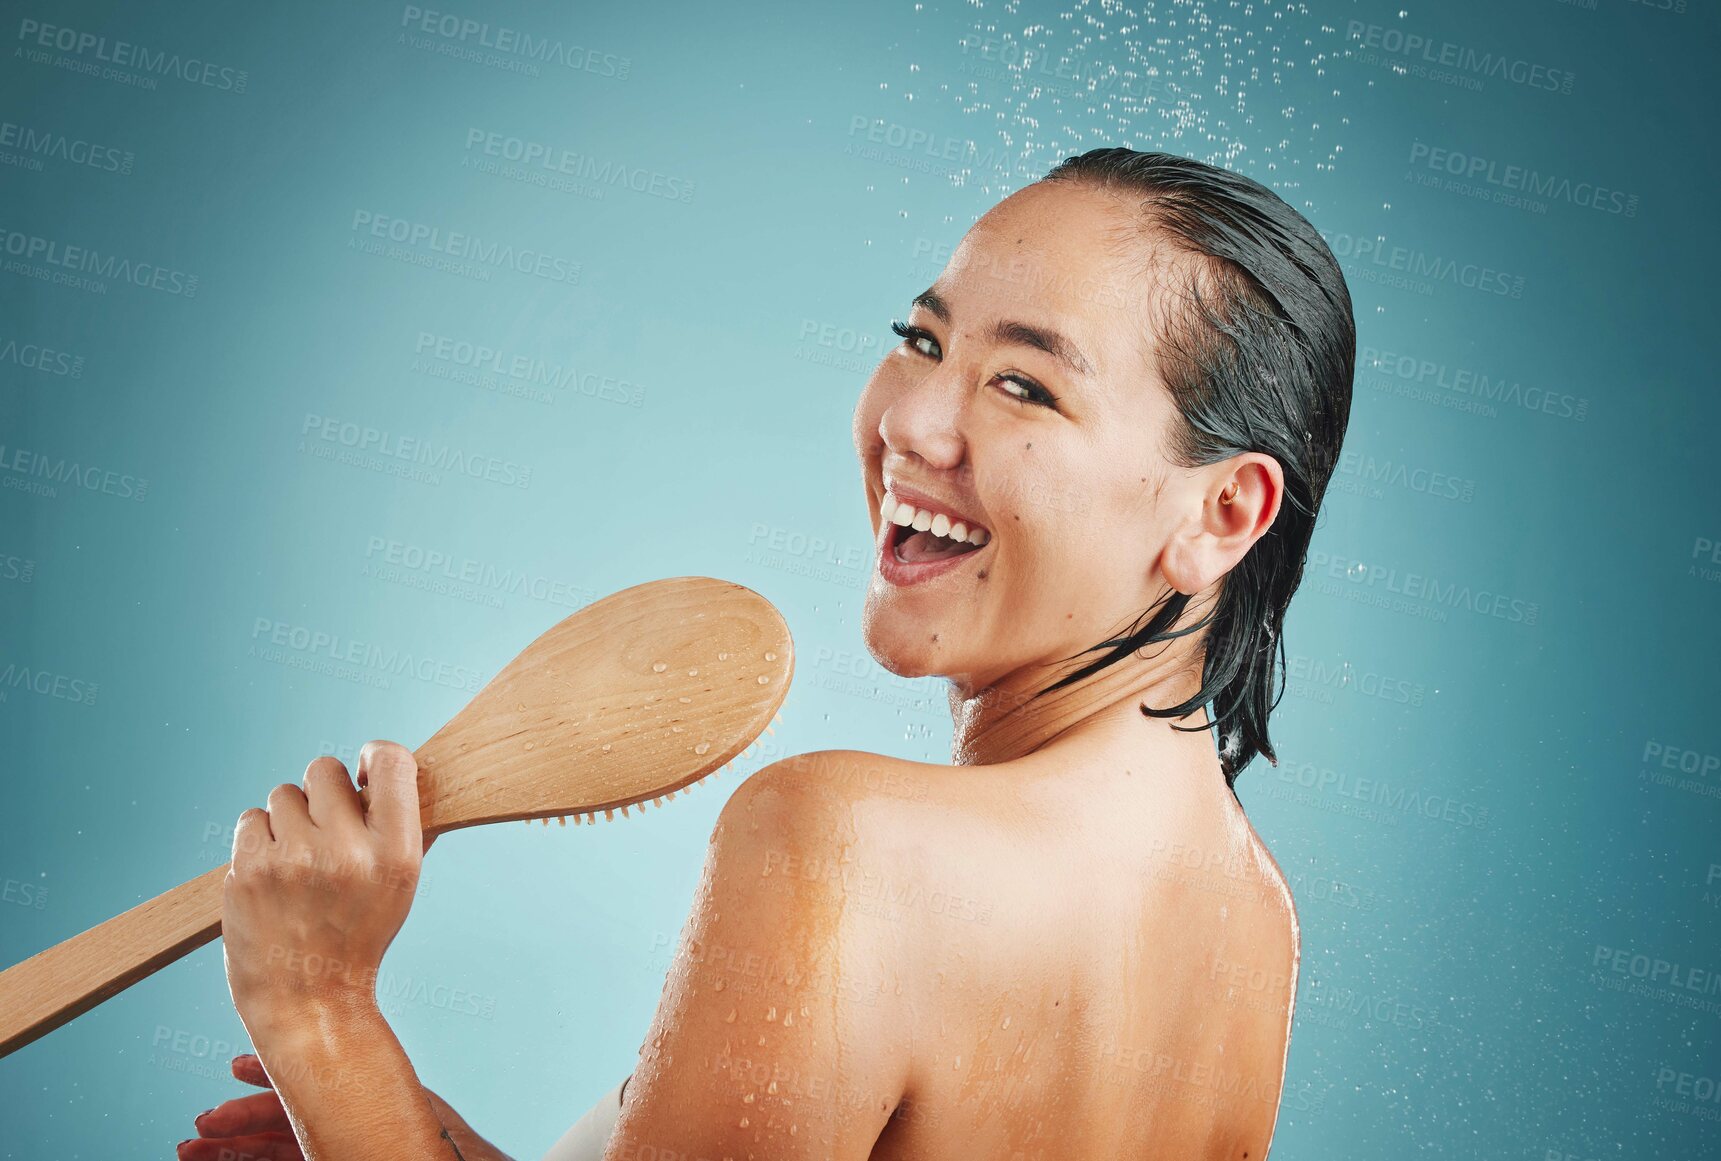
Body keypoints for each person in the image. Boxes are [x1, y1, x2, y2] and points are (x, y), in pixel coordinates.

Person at [179, 147, 1356, 1160]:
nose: (912, 422)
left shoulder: (846, 841)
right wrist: (387, 1127)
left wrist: (317, 1014)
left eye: (1023, 385)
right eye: (919, 339)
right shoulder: (1252, 926)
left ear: (1222, 516)